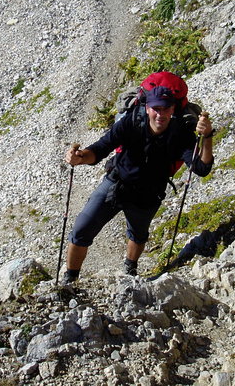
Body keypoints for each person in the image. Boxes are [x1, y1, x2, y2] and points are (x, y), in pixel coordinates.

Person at [63, 74, 214, 283]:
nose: (160, 115)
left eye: (166, 109)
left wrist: (207, 137)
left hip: (149, 193)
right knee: (81, 228)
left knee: (138, 234)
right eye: (156, 109)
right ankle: (70, 281)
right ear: (147, 107)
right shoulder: (132, 120)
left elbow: (201, 168)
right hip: (117, 183)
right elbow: (100, 148)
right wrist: (80, 158)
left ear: (173, 109)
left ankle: (130, 269)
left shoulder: (180, 134)